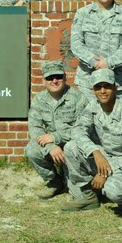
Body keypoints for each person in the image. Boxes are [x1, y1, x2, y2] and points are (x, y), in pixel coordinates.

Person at [63, 68, 122, 210]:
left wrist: (105, 172)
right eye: (98, 87)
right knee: (71, 147)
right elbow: (77, 130)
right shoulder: (93, 107)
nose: (102, 91)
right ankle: (88, 195)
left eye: (107, 86)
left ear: (116, 87)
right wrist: (95, 151)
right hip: (104, 157)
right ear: (93, 91)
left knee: (115, 193)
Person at [25, 61, 88, 200]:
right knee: (32, 150)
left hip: (73, 146)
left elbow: (82, 128)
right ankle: (54, 181)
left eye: (58, 77)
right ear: (44, 81)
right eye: (49, 78)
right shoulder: (39, 100)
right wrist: (51, 146)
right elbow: (35, 128)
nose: (54, 81)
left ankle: (71, 179)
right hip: (51, 145)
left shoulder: (79, 98)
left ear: (65, 77)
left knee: (77, 194)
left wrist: (56, 137)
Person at [71, 0, 122, 102]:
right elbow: (76, 43)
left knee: (121, 120)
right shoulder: (83, 14)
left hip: (118, 83)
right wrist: (93, 61)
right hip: (88, 83)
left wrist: (109, 62)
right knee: (88, 119)